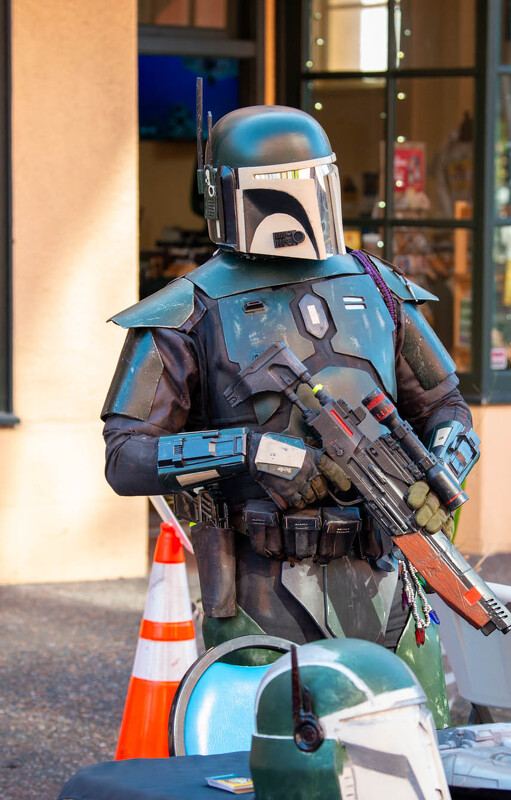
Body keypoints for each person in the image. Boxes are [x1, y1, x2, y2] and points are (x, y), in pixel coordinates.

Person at [100, 104, 480, 725]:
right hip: (261, 592)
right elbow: (126, 457)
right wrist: (253, 453)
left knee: (420, 750)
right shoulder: (187, 311)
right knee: (273, 757)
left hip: (388, 572)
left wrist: (443, 467)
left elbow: (445, 407)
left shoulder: (379, 288)